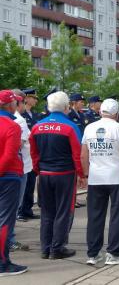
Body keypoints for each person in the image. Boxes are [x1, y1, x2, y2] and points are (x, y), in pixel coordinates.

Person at [30, 91, 86, 259]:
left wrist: (38, 171)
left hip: (45, 173)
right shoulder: (70, 127)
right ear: (66, 107)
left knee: (47, 212)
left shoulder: (36, 126)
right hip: (65, 174)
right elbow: (78, 155)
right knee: (63, 211)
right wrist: (82, 175)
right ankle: (58, 248)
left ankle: (45, 248)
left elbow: (34, 153)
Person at [81, 98, 119, 266]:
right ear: (117, 114)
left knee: (95, 216)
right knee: (116, 215)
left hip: (96, 178)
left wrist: (86, 174)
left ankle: (93, 254)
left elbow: (83, 155)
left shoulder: (89, 128)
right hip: (117, 177)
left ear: (100, 112)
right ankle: (113, 253)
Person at [0, 90, 27, 277]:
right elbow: (9, 155)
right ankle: (3, 263)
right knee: (4, 222)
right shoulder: (12, 126)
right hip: (8, 177)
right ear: (11, 105)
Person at [8, 90, 31, 252]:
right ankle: (9, 240)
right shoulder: (19, 121)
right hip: (16, 168)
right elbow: (17, 145)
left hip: (15, 167)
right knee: (12, 207)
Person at [18, 88, 40, 222]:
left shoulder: (34, 114)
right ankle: (21, 211)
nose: (35, 100)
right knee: (24, 184)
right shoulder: (20, 116)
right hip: (24, 152)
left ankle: (27, 209)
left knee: (31, 182)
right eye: (33, 97)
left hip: (33, 151)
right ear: (26, 98)